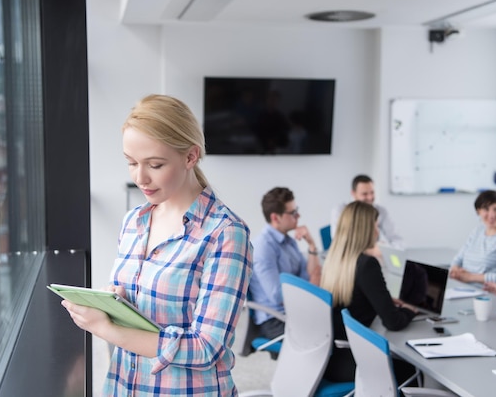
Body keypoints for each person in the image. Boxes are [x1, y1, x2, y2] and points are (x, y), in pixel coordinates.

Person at [60, 94, 253, 396]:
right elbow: (139, 299)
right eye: (131, 163)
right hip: (125, 386)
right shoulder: (134, 222)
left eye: (155, 164)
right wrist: (115, 302)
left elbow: (206, 348)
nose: (140, 177)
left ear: (190, 156)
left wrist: (109, 329)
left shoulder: (225, 233)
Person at [320, 201, 419, 384]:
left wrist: (385, 300)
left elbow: (353, 296)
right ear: (364, 229)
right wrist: (410, 309)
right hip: (356, 361)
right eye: (375, 225)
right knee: (413, 368)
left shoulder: (334, 259)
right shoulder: (366, 264)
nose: (377, 231)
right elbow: (393, 322)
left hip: (330, 358)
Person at [248, 187, 322, 340]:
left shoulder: (288, 240)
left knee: (335, 319)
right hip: (276, 319)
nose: (298, 215)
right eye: (293, 212)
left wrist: (312, 246)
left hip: (296, 310)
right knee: (325, 335)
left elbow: (307, 274)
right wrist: (311, 286)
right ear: (276, 218)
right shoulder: (263, 247)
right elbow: (277, 296)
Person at [449, 190, 496, 286]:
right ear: (478, 211)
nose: (491, 215)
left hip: (485, 292)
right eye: (486, 209)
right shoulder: (477, 231)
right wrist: (454, 269)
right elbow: (458, 259)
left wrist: (471, 277)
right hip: (462, 286)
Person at [330, 174, 403, 254]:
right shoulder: (342, 211)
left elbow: (397, 240)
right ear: (353, 193)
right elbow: (339, 241)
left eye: (372, 192)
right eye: (364, 194)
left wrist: (384, 249)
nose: (370, 197)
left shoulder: (380, 211)